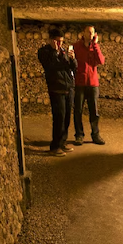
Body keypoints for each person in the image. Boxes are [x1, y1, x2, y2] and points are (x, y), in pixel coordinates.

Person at [38, 29, 77, 157]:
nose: (60, 44)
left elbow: (72, 68)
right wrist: (55, 52)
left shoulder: (64, 51)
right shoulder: (44, 52)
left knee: (66, 118)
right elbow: (51, 66)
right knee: (59, 118)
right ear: (50, 40)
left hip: (68, 88)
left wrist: (73, 59)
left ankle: (62, 143)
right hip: (56, 89)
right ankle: (54, 146)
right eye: (57, 41)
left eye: (61, 41)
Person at [72, 25, 106, 145]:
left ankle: (95, 135)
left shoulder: (95, 47)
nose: (90, 35)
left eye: (92, 33)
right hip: (80, 83)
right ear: (84, 33)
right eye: (88, 32)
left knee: (94, 112)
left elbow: (101, 61)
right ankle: (79, 135)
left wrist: (95, 45)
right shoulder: (76, 47)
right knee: (78, 111)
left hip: (92, 84)